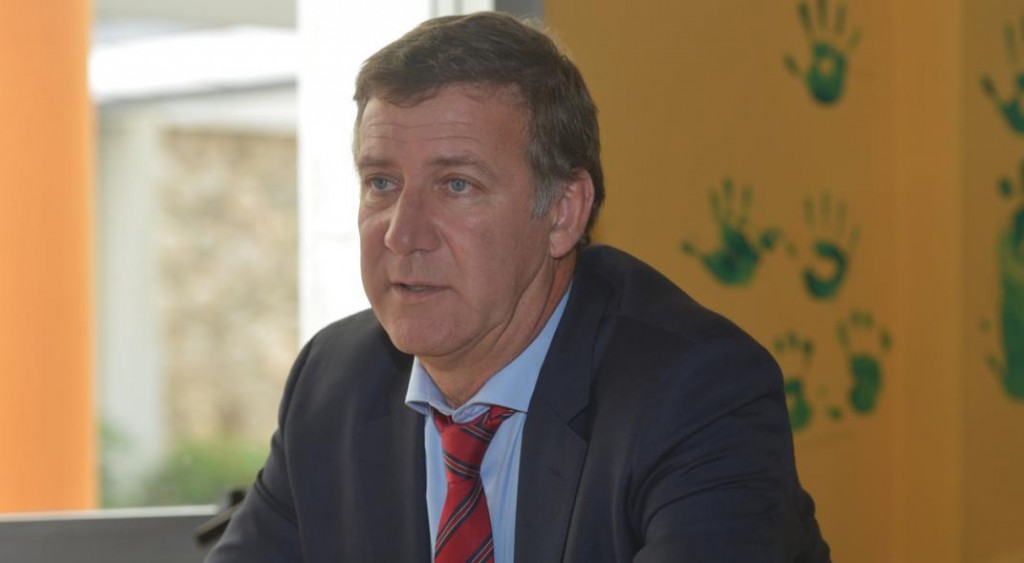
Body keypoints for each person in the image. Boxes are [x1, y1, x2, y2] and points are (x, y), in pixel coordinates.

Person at [206, 11, 830, 563]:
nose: (402, 234)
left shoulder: (697, 392)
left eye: (456, 185)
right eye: (381, 184)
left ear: (562, 213)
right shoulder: (333, 383)